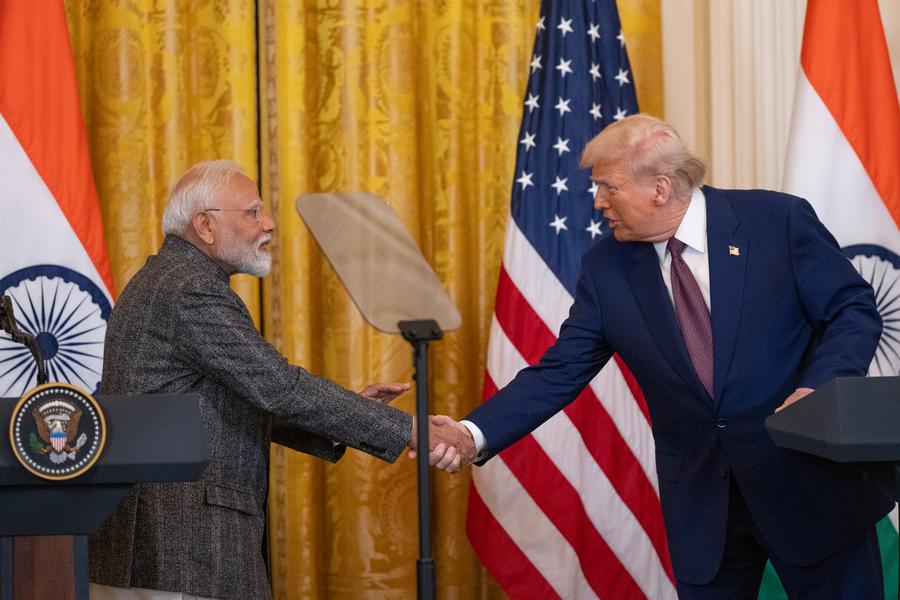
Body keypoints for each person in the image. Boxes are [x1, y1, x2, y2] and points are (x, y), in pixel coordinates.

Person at [434, 115, 890, 598]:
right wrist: (470, 433)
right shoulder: (605, 266)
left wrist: (819, 389)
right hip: (703, 504)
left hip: (806, 482)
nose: (597, 202)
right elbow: (559, 370)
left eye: (608, 187)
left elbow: (852, 309)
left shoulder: (776, 221)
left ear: (660, 188)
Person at [89, 160, 465, 600]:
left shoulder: (165, 279)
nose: (267, 223)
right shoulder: (191, 289)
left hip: (161, 552)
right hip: (181, 553)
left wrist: (351, 410)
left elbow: (236, 399)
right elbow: (278, 387)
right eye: (251, 212)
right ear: (205, 225)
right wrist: (411, 429)